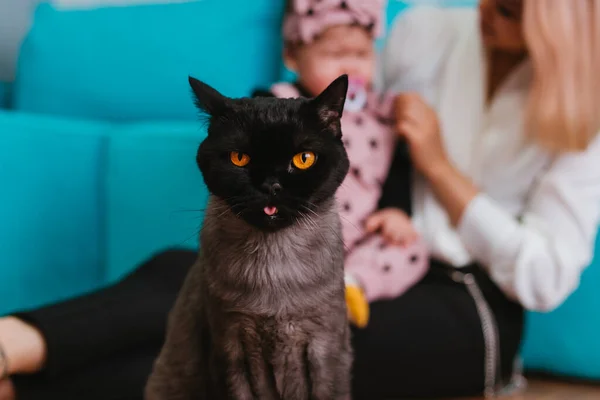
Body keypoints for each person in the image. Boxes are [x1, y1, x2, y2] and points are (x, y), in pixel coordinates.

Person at [1, 0, 600, 399]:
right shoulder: (431, 31)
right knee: (193, 277)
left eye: (506, 10)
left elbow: (545, 279)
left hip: (465, 301)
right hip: (357, 253)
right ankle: (11, 347)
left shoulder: (586, 118)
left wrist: (441, 170)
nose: (484, 12)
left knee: (268, 358)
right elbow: (347, 121)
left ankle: (22, 377)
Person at [254, 0, 430, 329]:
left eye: (361, 55)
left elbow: (397, 164)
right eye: (334, 56)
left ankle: (352, 286)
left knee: (411, 247)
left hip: (360, 236)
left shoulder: (381, 113)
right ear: (293, 56)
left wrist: (396, 210)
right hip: (300, 230)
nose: (350, 70)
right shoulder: (281, 103)